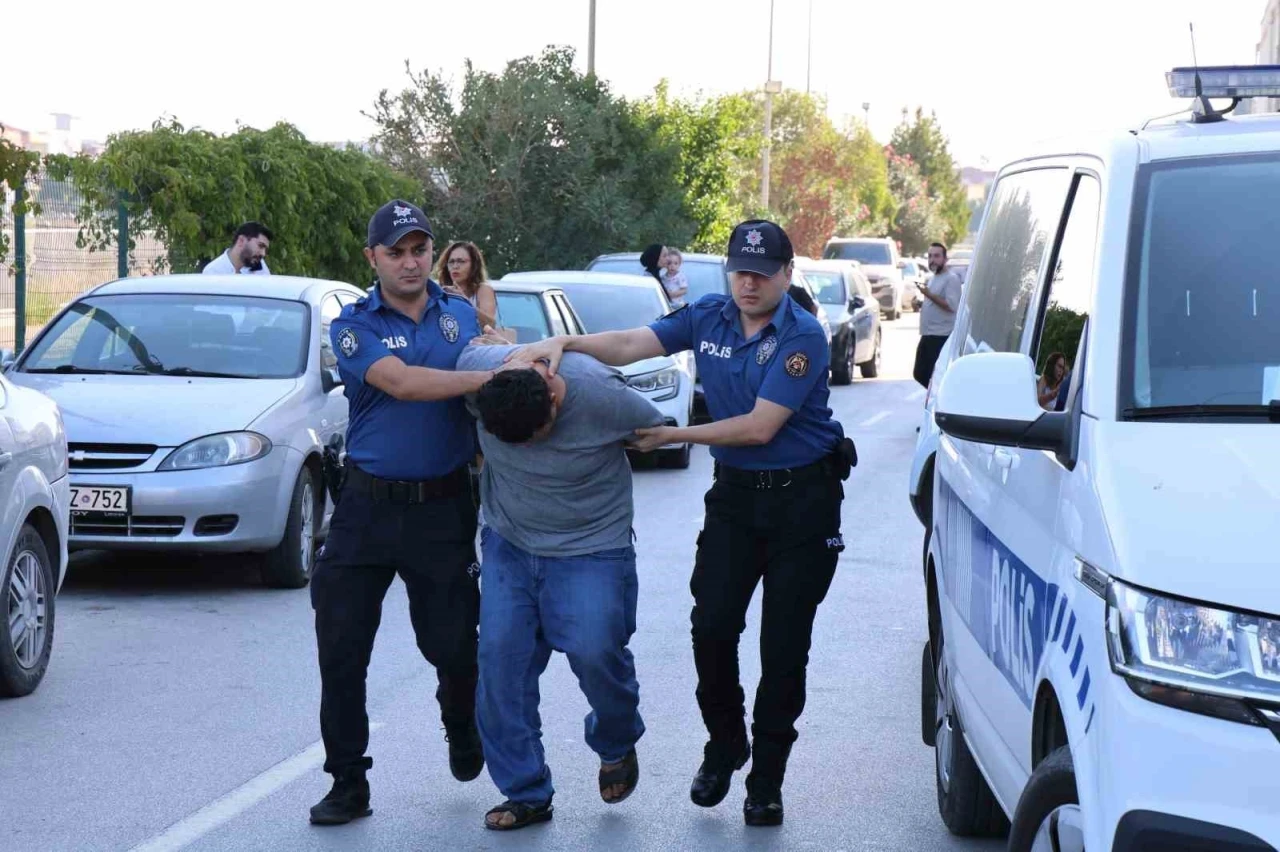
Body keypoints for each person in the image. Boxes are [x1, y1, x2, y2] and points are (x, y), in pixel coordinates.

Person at [507, 219, 855, 828]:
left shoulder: (803, 335)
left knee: (783, 646)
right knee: (711, 627)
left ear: (786, 274)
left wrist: (673, 435)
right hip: (737, 500)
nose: (748, 284)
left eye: (762, 274)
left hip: (802, 502)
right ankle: (726, 743)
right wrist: (564, 344)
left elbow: (759, 427)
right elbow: (632, 343)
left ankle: (767, 779)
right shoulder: (709, 317)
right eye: (740, 271)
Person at [308, 199, 509, 826]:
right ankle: (348, 781)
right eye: (395, 252)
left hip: (442, 509)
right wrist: (488, 378)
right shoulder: (353, 324)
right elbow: (402, 382)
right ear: (373, 258)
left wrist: (509, 359)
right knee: (342, 649)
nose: (410, 262)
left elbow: (501, 359)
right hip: (365, 508)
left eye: (419, 249)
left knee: (454, 644)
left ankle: (460, 720)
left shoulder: (461, 316)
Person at [453, 342, 664, 831]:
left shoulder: (602, 393)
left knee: (596, 651)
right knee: (500, 664)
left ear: (552, 397)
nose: (529, 450)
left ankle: (616, 740)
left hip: (593, 544)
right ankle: (525, 791)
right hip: (510, 541)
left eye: (538, 436)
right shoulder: (478, 371)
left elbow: (656, 432)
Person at [913, 242, 963, 388]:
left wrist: (928, 294)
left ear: (945, 259)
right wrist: (921, 303)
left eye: (936, 256)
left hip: (941, 335)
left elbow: (951, 306)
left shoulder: (951, 279)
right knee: (920, 373)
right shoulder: (933, 278)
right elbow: (934, 301)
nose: (932, 260)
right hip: (928, 333)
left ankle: (939, 396)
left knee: (931, 374)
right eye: (930, 256)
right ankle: (935, 395)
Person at [435, 240, 501, 331]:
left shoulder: (482, 289)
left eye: (461, 261)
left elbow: (490, 325)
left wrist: (463, 300)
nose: (455, 266)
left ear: (473, 265)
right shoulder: (438, 290)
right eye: (451, 262)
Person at [202, 221, 273, 275]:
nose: (263, 253)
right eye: (260, 246)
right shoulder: (213, 272)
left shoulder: (260, 267)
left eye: (265, 249)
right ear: (241, 241)